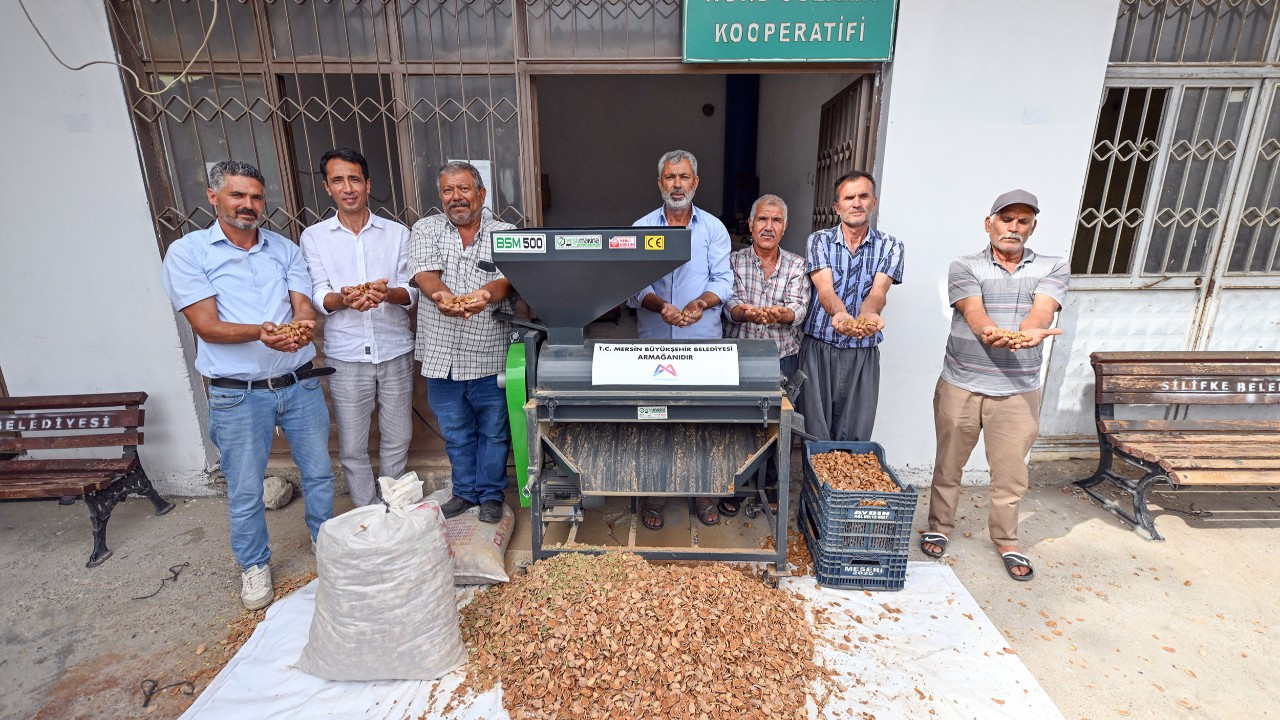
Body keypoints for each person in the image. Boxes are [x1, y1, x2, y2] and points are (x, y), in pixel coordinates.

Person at [161, 160, 335, 611]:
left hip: (298, 382)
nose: (248, 205)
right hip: (237, 391)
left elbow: (301, 307)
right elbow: (206, 325)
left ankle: (324, 541)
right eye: (238, 195)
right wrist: (262, 332)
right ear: (214, 197)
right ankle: (255, 565)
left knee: (318, 470)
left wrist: (300, 327)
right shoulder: (189, 252)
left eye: (256, 197)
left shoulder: (284, 248)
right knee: (244, 487)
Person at [920, 189, 1068, 582]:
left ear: (1032, 227)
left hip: (1018, 388)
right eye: (1006, 220)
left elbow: (1041, 310)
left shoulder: (1053, 266)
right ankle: (939, 525)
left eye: (1022, 221)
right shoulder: (965, 265)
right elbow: (974, 311)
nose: (1013, 228)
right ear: (989, 224)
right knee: (949, 463)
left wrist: (1030, 333)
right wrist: (989, 332)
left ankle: (1006, 539)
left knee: (1010, 474)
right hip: (961, 383)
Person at [300, 148, 416, 508]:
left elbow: (411, 289)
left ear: (368, 184)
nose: (347, 188)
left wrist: (387, 293)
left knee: (398, 437)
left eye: (354, 179)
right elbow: (318, 293)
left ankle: (393, 508)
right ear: (327, 188)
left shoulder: (397, 233)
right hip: (346, 353)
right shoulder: (314, 237)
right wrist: (342, 299)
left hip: (394, 347)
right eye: (338, 180)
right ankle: (367, 513)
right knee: (352, 445)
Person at [628, 149, 733, 530]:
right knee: (655, 417)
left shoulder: (713, 229)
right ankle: (654, 495)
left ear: (696, 182)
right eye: (670, 177)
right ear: (660, 184)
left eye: (683, 177)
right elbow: (632, 287)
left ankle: (705, 492)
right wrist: (660, 305)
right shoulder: (641, 228)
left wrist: (699, 303)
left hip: (702, 339)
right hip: (655, 340)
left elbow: (723, 282)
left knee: (703, 419)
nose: (677, 184)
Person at [409, 161, 514, 524]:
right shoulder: (427, 228)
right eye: (448, 191)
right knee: (455, 433)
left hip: (489, 354)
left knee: (494, 433)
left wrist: (485, 294)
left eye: (464, 189)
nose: (456, 198)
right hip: (441, 356)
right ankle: (465, 493)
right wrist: (444, 298)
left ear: (481, 194)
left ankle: (490, 495)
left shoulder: (505, 232)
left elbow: (508, 281)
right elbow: (425, 275)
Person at [720, 193, 810, 517]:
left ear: (784, 227)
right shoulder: (733, 261)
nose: (768, 226)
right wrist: (743, 312)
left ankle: (769, 485)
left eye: (775, 220)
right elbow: (727, 301)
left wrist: (781, 314)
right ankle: (735, 485)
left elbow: (799, 308)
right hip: (740, 358)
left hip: (780, 357)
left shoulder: (797, 265)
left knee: (777, 424)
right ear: (751, 224)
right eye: (762, 219)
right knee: (738, 424)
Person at [798, 171, 904, 442]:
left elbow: (879, 292)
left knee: (856, 433)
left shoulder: (891, 246)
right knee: (815, 432)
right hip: (819, 347)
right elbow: (825, 289)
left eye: (863, 196)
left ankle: (846, 487)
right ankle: (816, 486)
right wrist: (840, 314)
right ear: (837, 206)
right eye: (849, 197)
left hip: (863, 350)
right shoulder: (819, 241)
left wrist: (868, 314)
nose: (856, 203)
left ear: (874, 201)